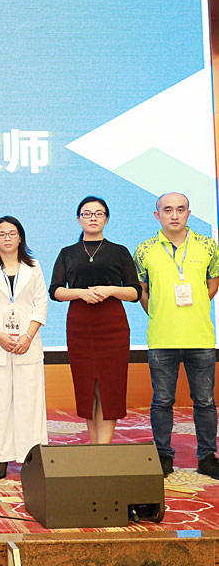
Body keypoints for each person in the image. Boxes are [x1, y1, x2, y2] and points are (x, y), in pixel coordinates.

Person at [133, 192, 219, 479]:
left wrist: (193, 309)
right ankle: (163, 456)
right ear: (157, 215)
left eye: (180, 209)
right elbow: (143, 291)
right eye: (167, 210)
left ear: (188, 213)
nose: (174, 215)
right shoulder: (144, 250)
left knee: (205, 402)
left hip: (200, 337)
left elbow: (212, 284)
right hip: (162, 338)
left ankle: (207, 457)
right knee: (162, 401)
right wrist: (161, 312)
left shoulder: (208, 246)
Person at [49, 196, 140, 444]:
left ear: (106, 219)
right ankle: (94, 446)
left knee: (111, 387)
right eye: (87, 214)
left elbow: (134, 292)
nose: (92, 218)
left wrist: (110, 290)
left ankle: (104, 446)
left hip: (112, 326)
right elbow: (55, 291)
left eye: (98, 213)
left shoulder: (119, 251)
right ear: (79, 219)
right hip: (80, 326)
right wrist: (81, 293)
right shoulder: (67, 253)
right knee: (87, 387)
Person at [0, 216, 48, 479]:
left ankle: (30, 456)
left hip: (28, 343)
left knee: (30, 401)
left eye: (12, 233)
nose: (7, 238)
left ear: (20, 237)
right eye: (1, 234)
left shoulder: (34, 266)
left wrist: (27, 336)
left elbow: (41, 303)